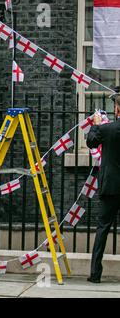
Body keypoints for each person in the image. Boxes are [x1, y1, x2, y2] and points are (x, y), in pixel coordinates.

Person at [86, 96, 120, 283]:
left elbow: (91, 142)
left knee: (103, 229)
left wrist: (96, 124)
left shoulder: (107, 130)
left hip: (111, 186)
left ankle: (95, 274)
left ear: (117, 110)